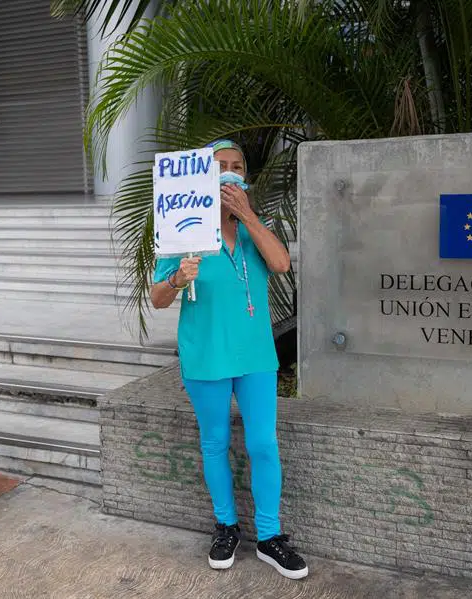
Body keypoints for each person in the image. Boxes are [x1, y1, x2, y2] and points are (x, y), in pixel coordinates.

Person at [150, 140, 308, 579]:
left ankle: (270, 537)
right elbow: (158, 298)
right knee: (216, 441)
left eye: (238, 167)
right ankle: (225, 526)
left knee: (263, 444)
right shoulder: (181, 229)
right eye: (221, 167)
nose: (231, 174)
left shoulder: (256, 229)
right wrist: (179, 278)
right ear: (204, 176)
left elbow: (280, 264)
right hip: (206, 353)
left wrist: (248, 215)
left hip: (256, 354)